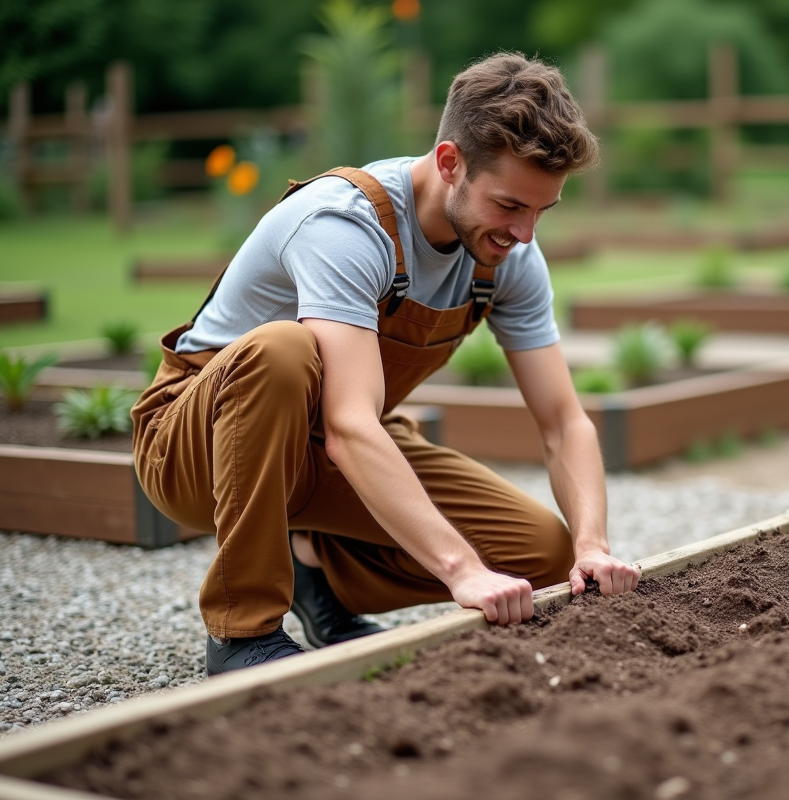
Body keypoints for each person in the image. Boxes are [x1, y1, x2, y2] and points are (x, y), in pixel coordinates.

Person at [131, 52, 641, 676]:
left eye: (542, 210)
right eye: (510, 205)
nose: (526, 234)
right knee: (282, 349)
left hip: (327, 449)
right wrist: (461, 570)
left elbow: (564, 421)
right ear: (451, 162)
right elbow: (350, 426)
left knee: (541, 551)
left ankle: (317, 571)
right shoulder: (346, 225)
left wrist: (591, 545)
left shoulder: (507, 257)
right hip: (196, 450)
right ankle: (243, 631)